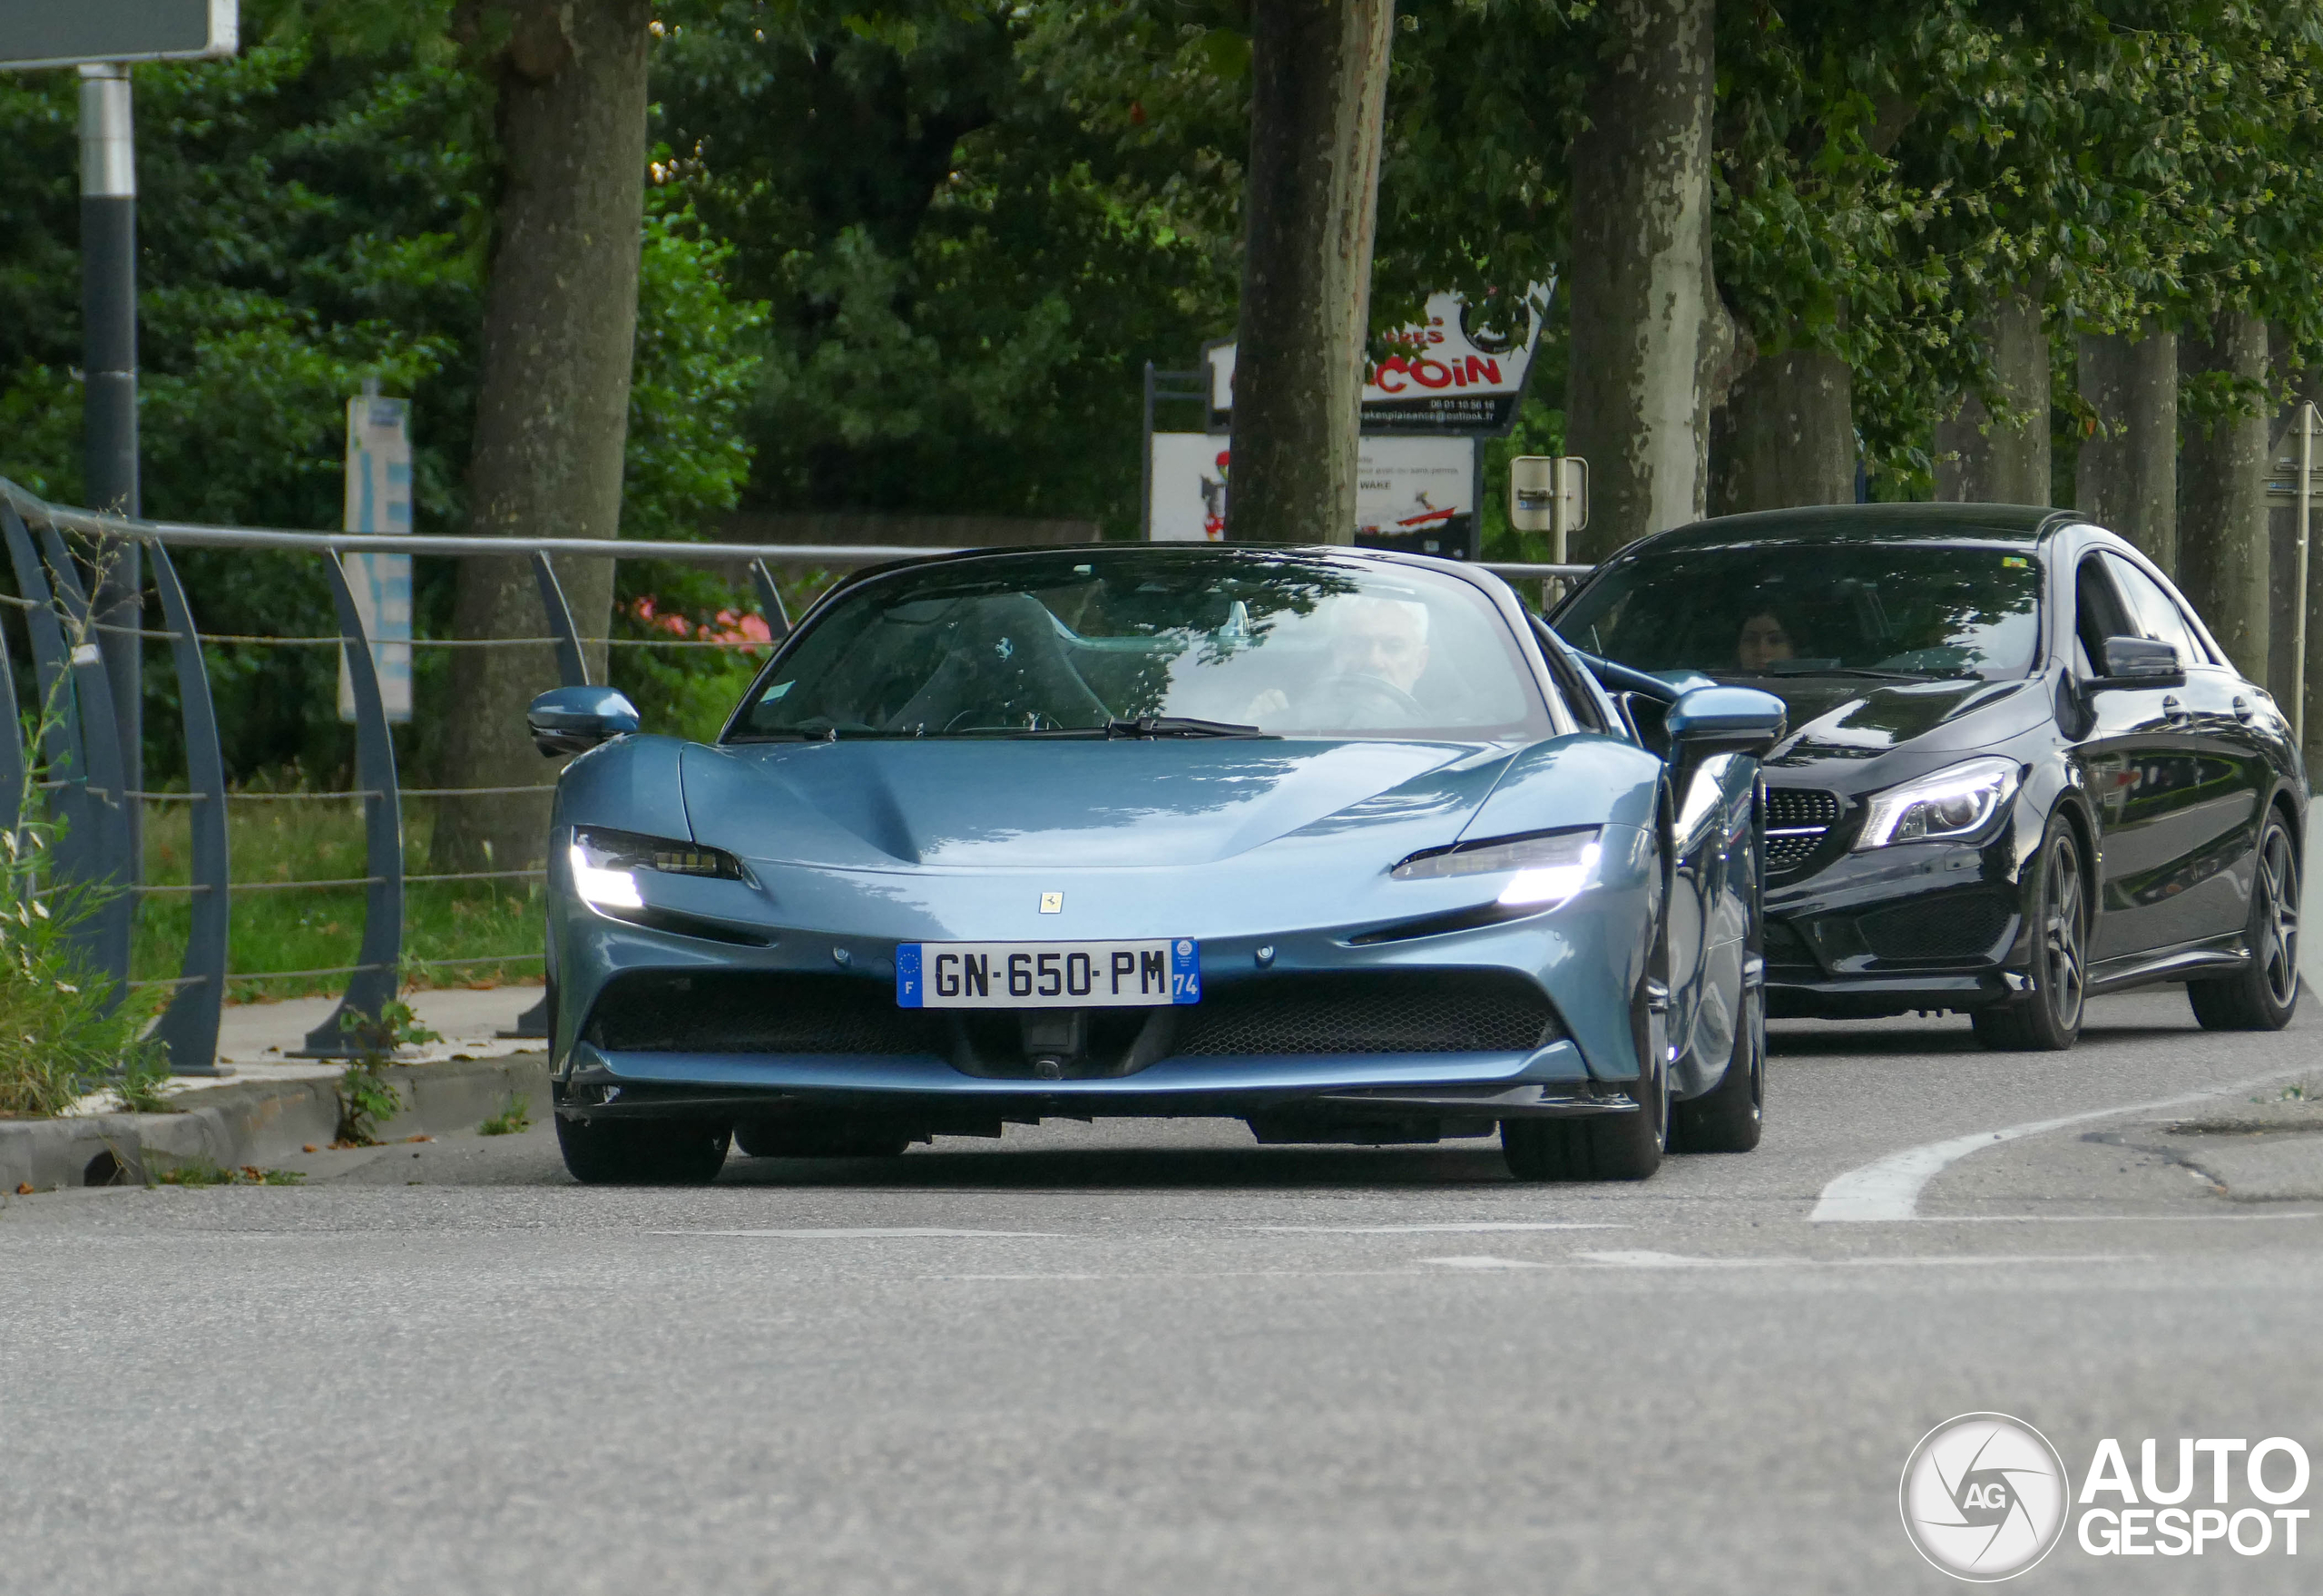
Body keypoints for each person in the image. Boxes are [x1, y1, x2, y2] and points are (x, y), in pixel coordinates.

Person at [1244, 595, 1431, 724]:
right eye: (1358, 644)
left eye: (1393, 647)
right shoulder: (1293, 721)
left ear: (1420, 662)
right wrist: (1264, 727)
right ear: (1337, 652)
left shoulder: (1451, 732)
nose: (1374, 661)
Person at [1735, 605, 1799, 672]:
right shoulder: (1724, 680)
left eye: (1775, 640)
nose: (1762, 651)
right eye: (1751, 640)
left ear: (1792, 648)